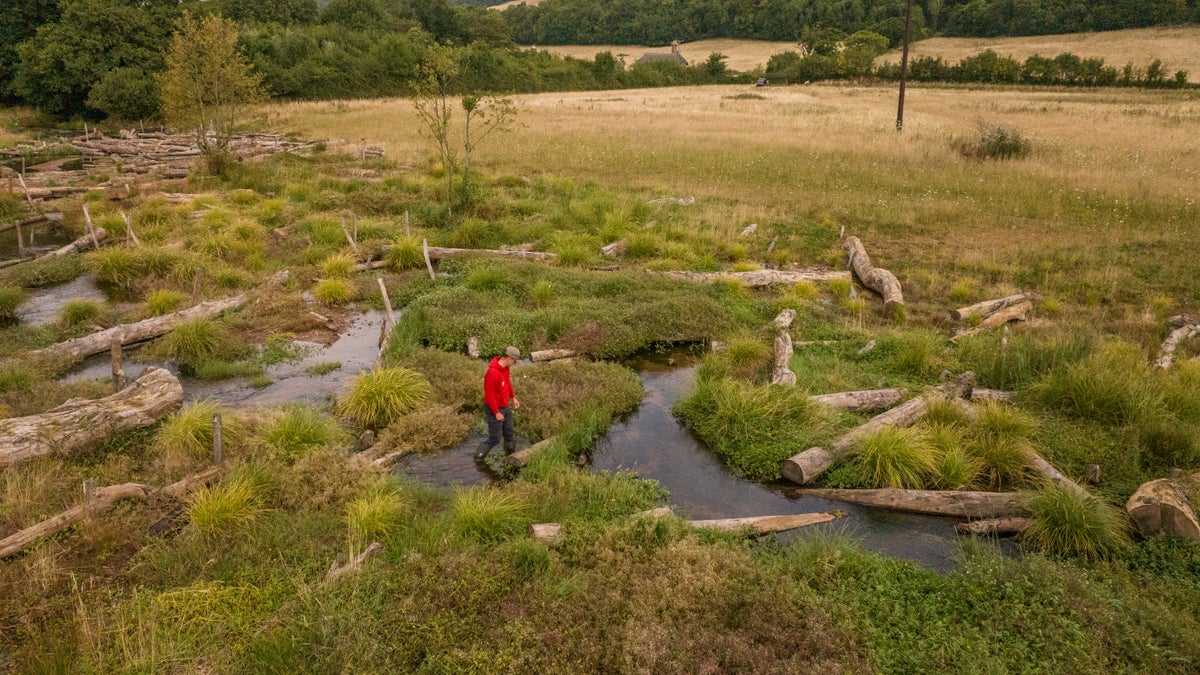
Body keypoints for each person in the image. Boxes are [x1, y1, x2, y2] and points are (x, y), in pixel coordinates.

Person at [476, 345, 522, 461]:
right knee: (495, 438)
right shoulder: (492, 373)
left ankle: (510, 456)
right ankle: (478, 459)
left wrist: (513, 397)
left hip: (504, 406)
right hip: (493, 408)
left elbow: (507, 383)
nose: (514, 364)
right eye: (514, 361)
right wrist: (496, 412)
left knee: (509, 432)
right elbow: (489, 395)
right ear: (509, 359)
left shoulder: (506, 369)